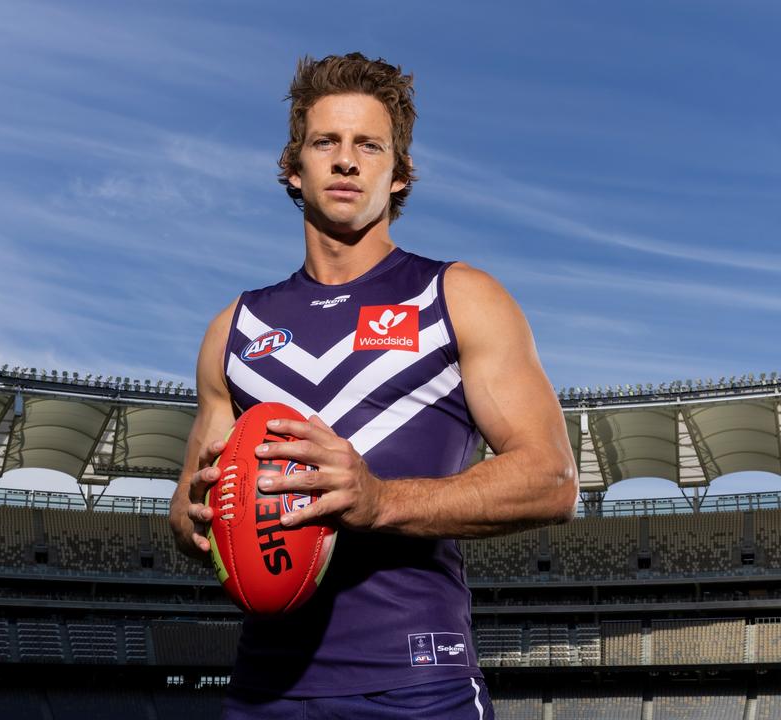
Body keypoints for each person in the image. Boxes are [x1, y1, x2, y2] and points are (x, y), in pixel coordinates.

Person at [170, 52, 578, 719]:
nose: (346, 160)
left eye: (369, 145)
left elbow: (552, 480)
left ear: (399, 174)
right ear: (292, 168)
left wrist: (379, 499)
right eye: (325, 141)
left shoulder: (459, 297)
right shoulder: (233, 329)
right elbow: (188, 517)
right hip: (264, 689)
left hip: (417, 684)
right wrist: (194, 519)